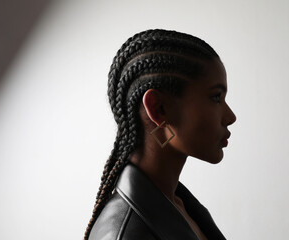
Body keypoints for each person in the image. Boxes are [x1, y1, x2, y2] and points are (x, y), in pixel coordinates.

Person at [83, 29, 236, 240]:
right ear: (158, 108)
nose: (231, 116)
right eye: (216, 97)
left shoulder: (181, 205)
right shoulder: (124, 234)